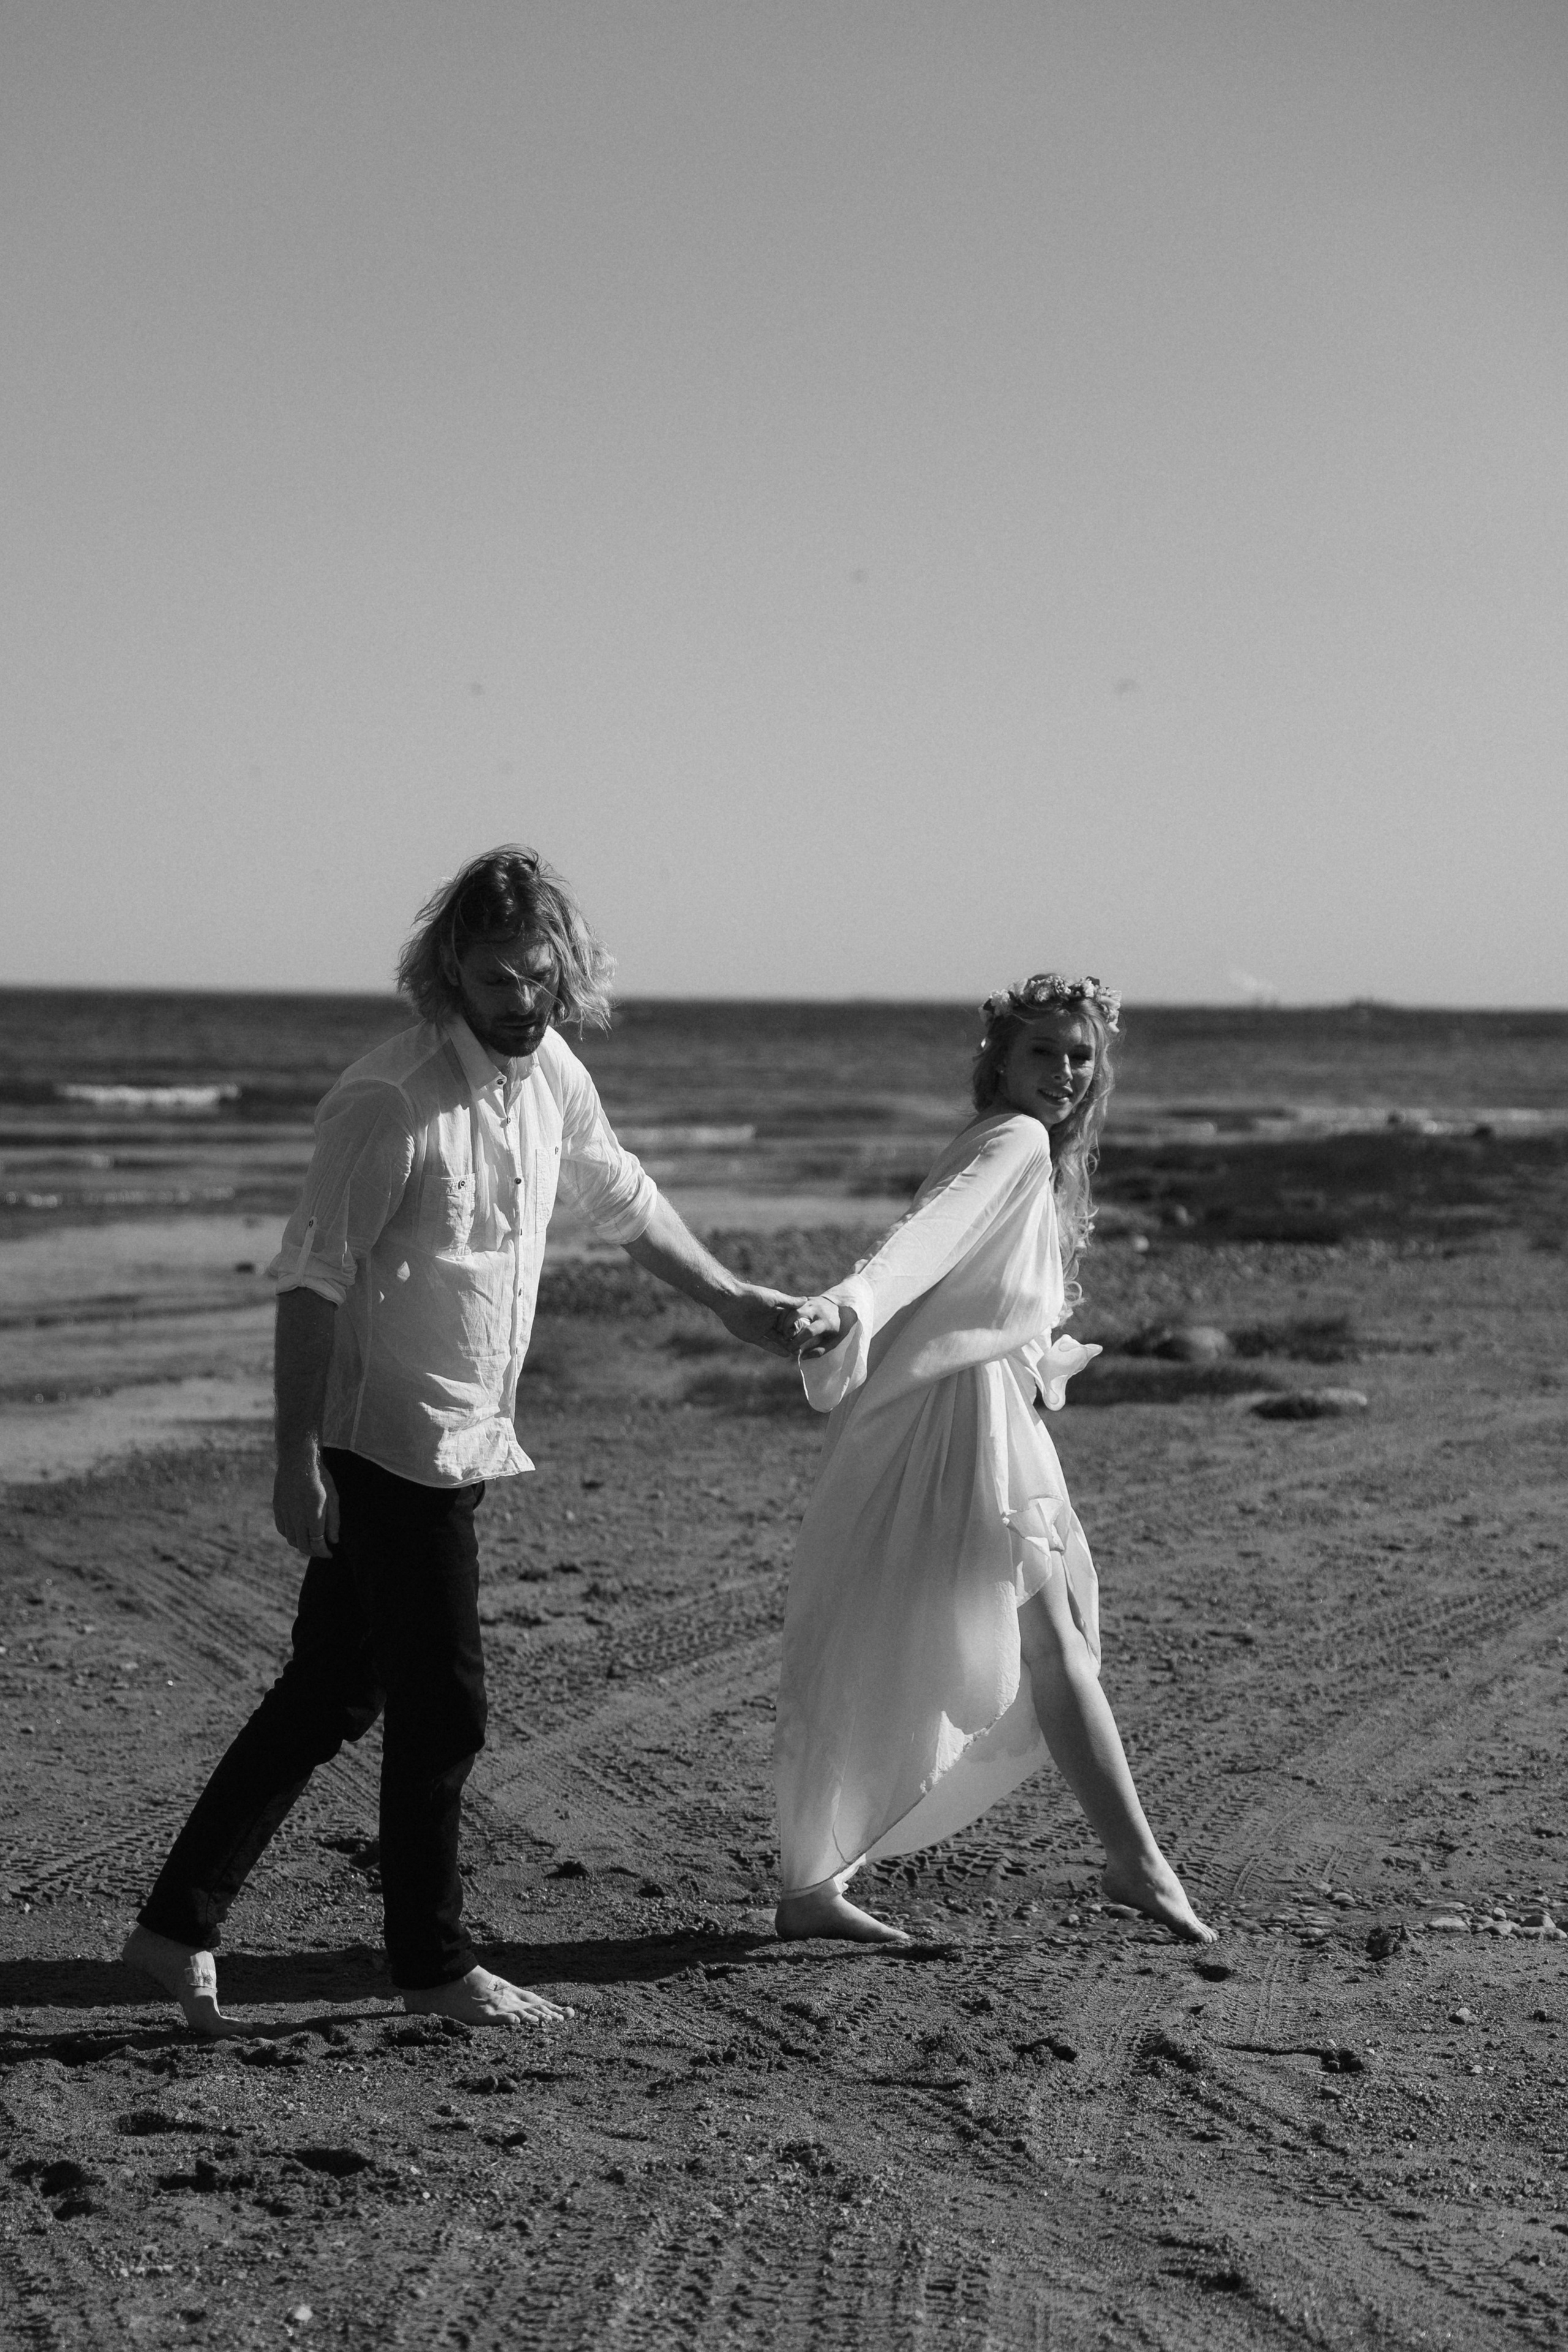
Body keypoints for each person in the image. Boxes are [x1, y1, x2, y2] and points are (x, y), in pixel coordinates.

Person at [123, 846, 799, 2033]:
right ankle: (432, 1964)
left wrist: (734, 1303)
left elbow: (622, 1197)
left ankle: (174, 1928)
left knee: (330, 1691)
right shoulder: (389, 1101)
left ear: (566, 972)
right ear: (448, 971)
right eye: (497, 980)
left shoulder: (549, 1077)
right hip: (387, 1441)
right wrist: (292, 1459)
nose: (522, 1001)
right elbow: (308, 1284)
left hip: (463, 1435)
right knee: (444, 1710)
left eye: (540, 977)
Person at [774, 974, 1215, 1947]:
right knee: (1043, 1645)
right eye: (1044, 1053)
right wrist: (850, 1303)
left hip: (969, 1412)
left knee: (912, 1636)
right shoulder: (1013, 1140)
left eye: (1080, 1055)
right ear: (1002, 1062)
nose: (1064, 1072)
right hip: (953, 1426)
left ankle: (815, 1882)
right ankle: (1136, 1863)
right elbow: (919, 1246)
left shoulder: (1033, 1151)